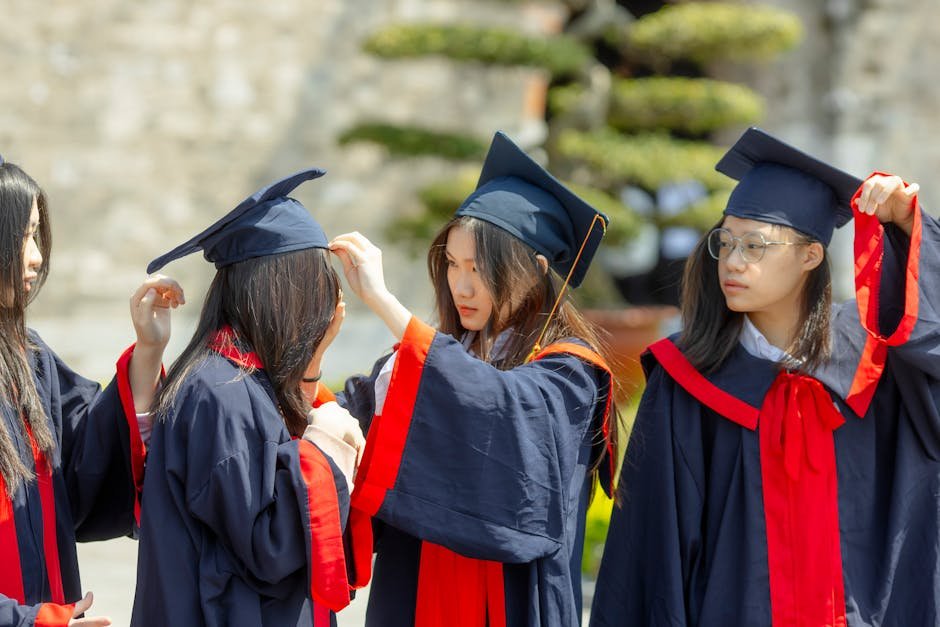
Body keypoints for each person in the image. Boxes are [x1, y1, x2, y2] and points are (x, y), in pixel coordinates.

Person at [589, 127, 940, 626]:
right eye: (725, 243)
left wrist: (909, 226)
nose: (732, 262)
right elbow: (650, 553)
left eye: (755, 246)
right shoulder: (687, 380)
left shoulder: (876, 367)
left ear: (809, 256)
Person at [327, 131, 618, 627]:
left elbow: (499, 408)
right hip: (418, 589)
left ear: (535, 271)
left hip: (512, 600)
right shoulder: (438, 355)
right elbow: (349, 415)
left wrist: (386, 305)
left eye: (479, 269)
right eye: (453, 265)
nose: (460, 286)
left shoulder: (570, 371)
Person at [131, 168, 369, 627]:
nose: (323, 304)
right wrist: (325, 445)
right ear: (278, 292)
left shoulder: (236, 375)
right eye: (314, 288)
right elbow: (267, 546)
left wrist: (314, 358)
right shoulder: (219, 395)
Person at [0, 156, 184, 626]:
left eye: (35, 235)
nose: (37, 257)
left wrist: (148, 350)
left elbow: (83, 467)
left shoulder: (26, 358)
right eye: (22, 236)